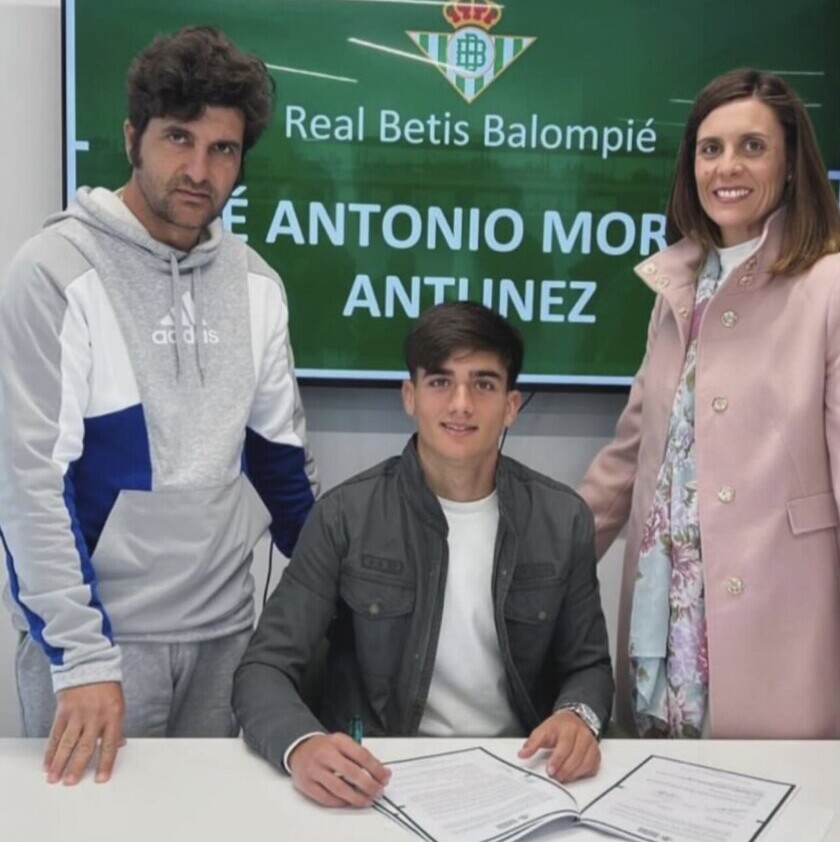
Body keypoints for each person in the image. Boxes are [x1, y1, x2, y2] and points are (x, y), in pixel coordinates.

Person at [0, 27, 318, 785]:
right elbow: (28, 486)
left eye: (223, 149)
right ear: (132, 136)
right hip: (101, 649)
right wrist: (80, 657)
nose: (198, 170)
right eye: (179, 138)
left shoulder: (257, 286)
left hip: (228, 640)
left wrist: (347, 614)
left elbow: (285, 476)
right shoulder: (54, 273)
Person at [233, 301, 613, 808]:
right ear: (409, 396)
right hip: (380, 777)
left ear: (511, 404)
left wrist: (577, 715)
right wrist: (301, 745)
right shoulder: (346, 515)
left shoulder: (562, 518)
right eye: (440, 382)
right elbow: (263, 669)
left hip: (518, 772)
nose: (460, 404)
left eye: (483, 384)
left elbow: (588, 667)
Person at [579, 68, 840, 739]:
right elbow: (634, 451)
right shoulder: (679, 281)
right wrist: (546, 557)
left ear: (789, 167)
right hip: (663, 620)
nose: (727, 166)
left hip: (778, 625)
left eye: (752, 147)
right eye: (710, 148)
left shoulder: (830, 285)